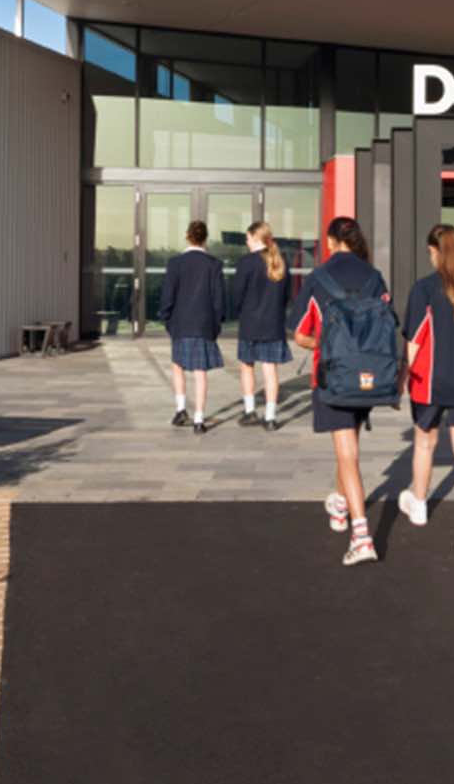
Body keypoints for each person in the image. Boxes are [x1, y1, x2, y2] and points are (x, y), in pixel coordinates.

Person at [289, 215, 393, 566]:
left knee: (347, 453)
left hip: (332, 376)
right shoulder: (374, 277)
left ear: (332, 241)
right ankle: (339, 502)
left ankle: (361, 536)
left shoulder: (318, 278)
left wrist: (328, 345)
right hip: (368, 376)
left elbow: (300, 334)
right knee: (348, 445)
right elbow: (386, 324)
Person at [398, 223, 454, 554]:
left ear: (435, 251)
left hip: (430, 381)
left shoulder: (423, 289)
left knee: (425, 444)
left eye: (430, 252)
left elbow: (414, 340)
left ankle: (419, 504)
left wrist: (402, 378)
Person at [157, 220, 227, 434]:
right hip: (204, 323)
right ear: (205, 239)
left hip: (180, 323)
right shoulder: (214, 264)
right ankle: (198, 419)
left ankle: (180, 410)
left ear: (188, 236)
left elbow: (168, 295)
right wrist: (217, 323)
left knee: (178, 365)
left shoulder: (175, 263)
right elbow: (218, 300)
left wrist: (165, 318)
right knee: (200, 371)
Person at [232, 219, 294, 431]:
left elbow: (237, 294)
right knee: (270, 370)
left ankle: (250, 411)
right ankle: (270, 417)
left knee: (247, 366)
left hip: (250, 324)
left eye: (248, 238)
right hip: (273, 324)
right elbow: (287, 295)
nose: (246, 242)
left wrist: (237, 312)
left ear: (255, 237)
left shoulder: (246, 262)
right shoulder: (281, 261)